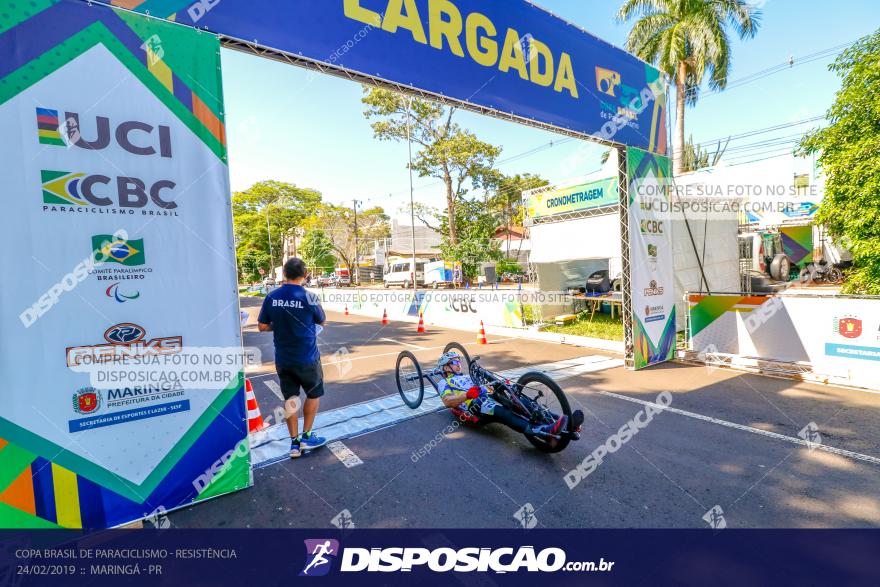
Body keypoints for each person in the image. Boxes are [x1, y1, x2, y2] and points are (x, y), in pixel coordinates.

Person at [258, 258, 327, 458]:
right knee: (313, 395)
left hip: (284, 359)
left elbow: (262, 326)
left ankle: (294, 444)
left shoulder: (272, 297)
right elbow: (322, 321)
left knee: (291, 399)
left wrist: (277, 325)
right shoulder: (310, 297)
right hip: (307, 358)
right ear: (305, 275)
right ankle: (307, 436)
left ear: (284, 274)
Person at [436, 352, 584, 442]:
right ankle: (543, 430)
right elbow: (447, 401)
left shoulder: (468, 376)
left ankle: (566, 422)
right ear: (446, 367)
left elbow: (484, 384)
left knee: (520, 400)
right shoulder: (444, 382)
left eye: (458, 361)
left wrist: (498, 384)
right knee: (503, 411)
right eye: (454, 362)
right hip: (473, 405)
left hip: (487, 394)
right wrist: (466, 395)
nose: (458, 365)